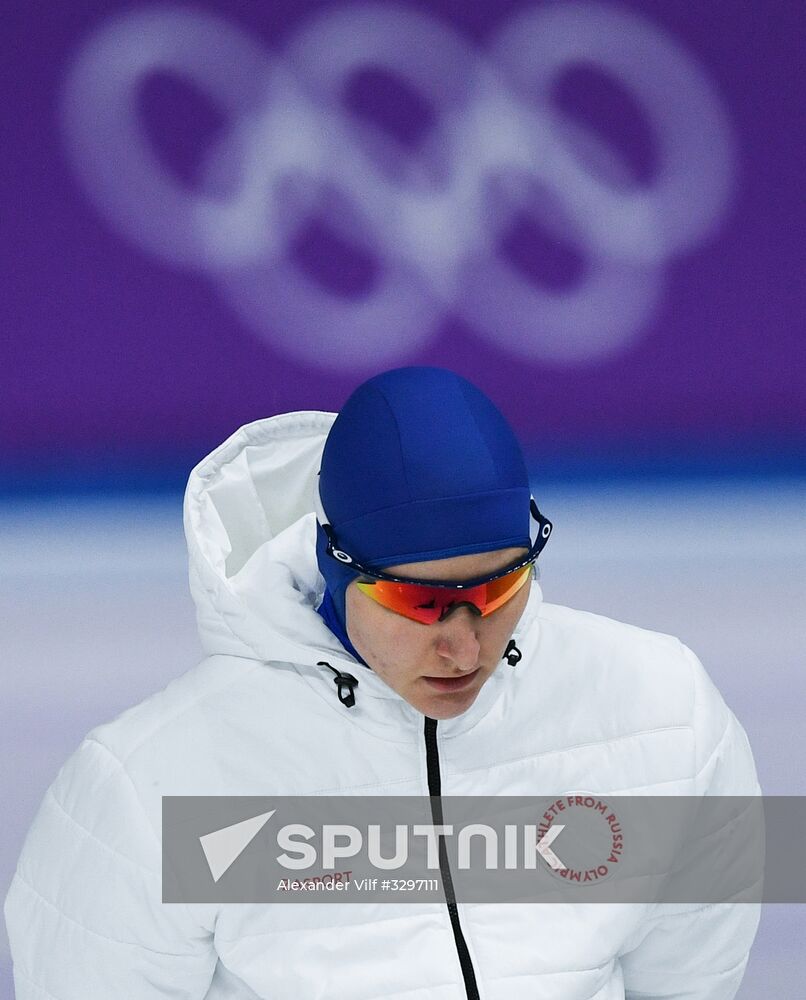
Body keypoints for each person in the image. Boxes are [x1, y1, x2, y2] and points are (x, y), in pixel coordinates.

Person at [5, 366, 760, 998]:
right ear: (337, 568)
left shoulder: (663, 714)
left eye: (498, 591)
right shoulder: (151, 785)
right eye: (419, 603)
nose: (464, 647)